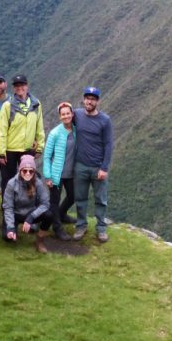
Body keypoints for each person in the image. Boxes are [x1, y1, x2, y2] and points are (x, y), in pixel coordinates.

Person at [72, 86, 114, 243]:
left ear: (97, 101)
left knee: (100, 199)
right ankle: (81, 225)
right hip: (80, 166)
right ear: (83, 99)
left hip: (98, 167)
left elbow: (109, 144)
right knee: (80, 198)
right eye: (87, 98)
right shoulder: (76, 115)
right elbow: (64, 114)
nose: (89, 101)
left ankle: (101, 228)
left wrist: (104, 167)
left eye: (93, 99)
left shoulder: (105, 120)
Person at [0, 74, 44, 196]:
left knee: (28, 179)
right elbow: (2, 129)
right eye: (16, 86)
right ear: (13, 88)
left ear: (26, 86)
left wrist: (40, 147)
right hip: (10, 150)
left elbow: (40, 127)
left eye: (21, 85)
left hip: (28, 149)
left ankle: (27, 207)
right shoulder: (8, 105)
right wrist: (1, 152)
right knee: (8, 180)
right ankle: (6, 208)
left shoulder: (36, 104)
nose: (19, 88)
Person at [1, 154, 52, 252]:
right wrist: (11, 228)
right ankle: (15, 230)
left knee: (49, 215)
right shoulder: (12, 183)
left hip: (30, 213)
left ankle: (40, 240)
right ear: (20, 170)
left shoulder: (38, 183)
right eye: (24, 170)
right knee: (7, 238)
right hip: (16, 214)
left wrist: (31, 217)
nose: (27, 173)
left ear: (34, 172)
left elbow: (45, 204)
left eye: (31, 171)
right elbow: (8, 207)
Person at [41, 101, 76, 241]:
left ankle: (61, 215)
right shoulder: (55, 133)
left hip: (72, 173)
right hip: (57, 174)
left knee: (73, 196)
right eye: (63, 114)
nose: (66, 116)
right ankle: (57, 228)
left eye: (68, 113)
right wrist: (48, 177)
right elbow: (47, 156)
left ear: (72, 114)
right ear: (60, 116)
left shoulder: (76, 130)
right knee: (54, 201)